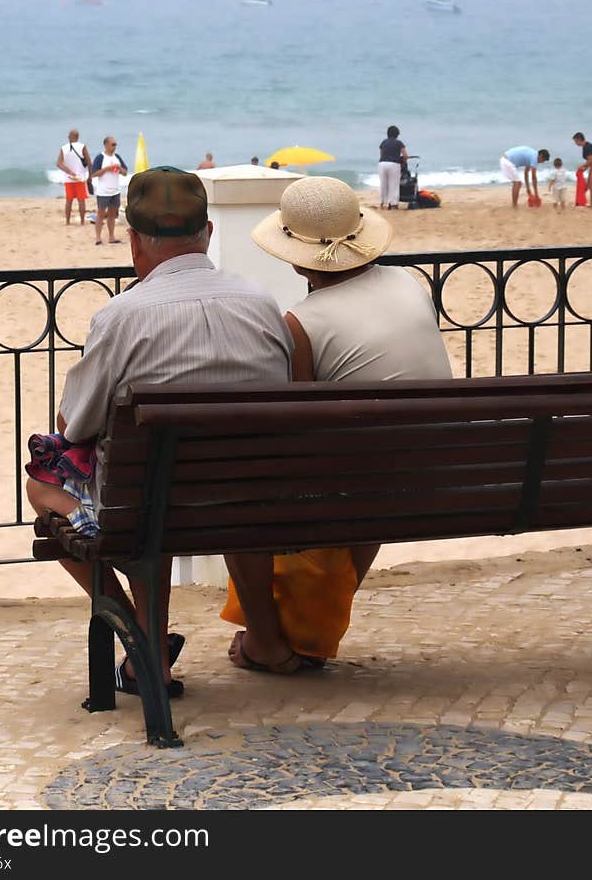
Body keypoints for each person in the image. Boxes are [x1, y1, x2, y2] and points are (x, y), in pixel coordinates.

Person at [24, 166, 294, 697]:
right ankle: (175, 646)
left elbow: (74, 423)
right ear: (209, 233)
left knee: (47, 486)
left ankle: (145, 647)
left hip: (148, 507)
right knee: (159, 482)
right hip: (250, 500)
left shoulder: (121, 316)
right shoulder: (262, 303)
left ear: (133, 243)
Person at [224, 177, 453, 672]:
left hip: (360, 482)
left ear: (296, 256)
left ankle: (266, 640)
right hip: (434, 473)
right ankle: (311, 632)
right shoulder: (410, 283)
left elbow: (297, 424)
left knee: (236, 502)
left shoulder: (304, 321)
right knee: (367, 478)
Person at [91, 136, 127, 245]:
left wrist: (119, 169)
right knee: (101, 214)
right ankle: (98, 238)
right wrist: (107, 169)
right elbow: (93, 174)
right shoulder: (100, 157)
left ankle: (111, 237)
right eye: (112, 144)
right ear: (106, 145)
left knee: (112, 215)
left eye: (115, 144)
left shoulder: (117, 157)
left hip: (115, 190)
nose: (114, 147)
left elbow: (125, 172)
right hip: (103, 191)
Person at [55, 129, 91, 226]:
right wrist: (90, 176)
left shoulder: (63, 148)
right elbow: (89, 162)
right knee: (81, 201)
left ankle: (67, 222)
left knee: (69, 201)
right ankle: (82, 222)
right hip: (80, 178)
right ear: (78, 137)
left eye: (68, 136)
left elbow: (59, 163)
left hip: (68, 179)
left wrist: (69, 171)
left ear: (71, 137)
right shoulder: (82, 147)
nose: (67, 137)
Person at [378, 125, 408, 209]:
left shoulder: (383, 142)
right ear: (397, 134)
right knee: (394, 185)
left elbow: (381, 154)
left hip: (382, 164)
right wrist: (403, 163)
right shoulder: (399, 143)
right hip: (394, 164)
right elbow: (405, 155)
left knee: (383, 184)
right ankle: (394, 204)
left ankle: (383, 203)